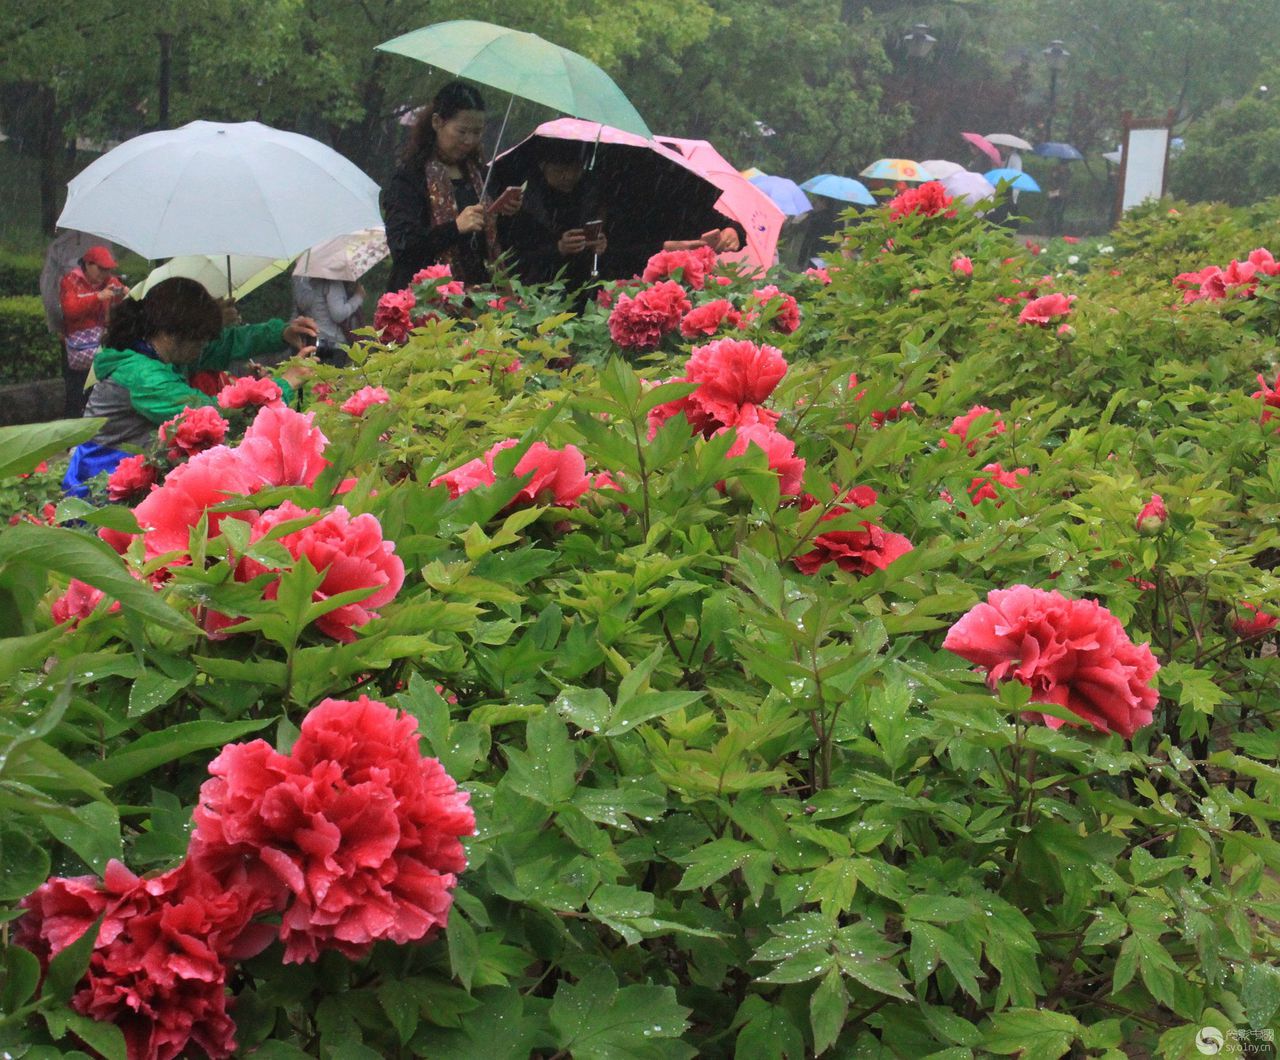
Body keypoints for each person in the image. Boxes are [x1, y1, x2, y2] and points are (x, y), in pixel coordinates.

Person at [63, 277, 317, 496]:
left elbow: (226, 343)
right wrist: (283, 384)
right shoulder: (142, 376)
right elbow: (210, 416)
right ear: (172, 334)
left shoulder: (158, 350)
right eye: (201, 338)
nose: (205, 346)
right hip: (101, 487)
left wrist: (280, 334)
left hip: (129, 477)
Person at [381, 81, 523, 291]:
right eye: (462, 131)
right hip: (424, 299)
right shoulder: (410, 178)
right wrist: (455, 228)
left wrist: (505, 214)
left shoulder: (481, 176)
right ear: (437, 122)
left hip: (479, 299)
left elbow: (494, 244)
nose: (469, 140)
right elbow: (403, 247)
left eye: (477, 132)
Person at [498, 138, 607, 291]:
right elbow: (516, 256)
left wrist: (596, 245)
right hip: (536, 287)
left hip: (579, 284)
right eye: (560, 171)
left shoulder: (589, 194)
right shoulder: (524, 201)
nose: (568, 177)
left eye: (576, 169)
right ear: (543, 166)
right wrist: (558, 249)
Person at [59, 245, 128, 417]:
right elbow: (70, 309)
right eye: (101, 269)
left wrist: (125, 293)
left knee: (96, 394)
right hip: (77, 349)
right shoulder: (70, 280)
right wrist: (96, 297)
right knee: (76, 396)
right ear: (88, 264)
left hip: (100, 346)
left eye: (108, 270)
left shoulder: (110, 282)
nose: (105, 274)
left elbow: (126, 298)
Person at [292, 274, 364, 363]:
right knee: (330, 374)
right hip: (332, 342)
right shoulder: (333, 284)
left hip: (315, 339)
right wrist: (358, 297)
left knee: (316, 373)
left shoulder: (311, 283)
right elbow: (338, 315)